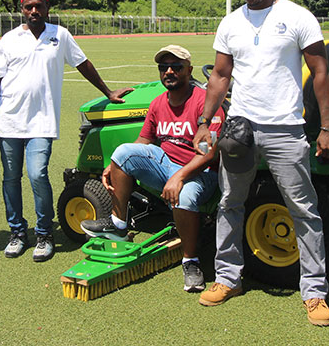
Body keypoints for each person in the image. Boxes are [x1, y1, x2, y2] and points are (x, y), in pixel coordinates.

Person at [192, 0, 329, 326]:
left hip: (286, 129)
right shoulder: (230, 23)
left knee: (304, 211)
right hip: (240, 129)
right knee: (230, 203)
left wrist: (327, 126)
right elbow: (220, 77)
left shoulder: (297, 17)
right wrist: (206, 122)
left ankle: (314, 292)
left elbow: (320, 71)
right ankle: (228, 278)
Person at [0, 0, 132, 262]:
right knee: (10, 178)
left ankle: (43, 233)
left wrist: (108, 92)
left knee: (38, 174)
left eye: (39, 6)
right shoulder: (9, 39)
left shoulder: (59, 36)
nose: (34, 11)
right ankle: (17, 232)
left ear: (47, 8)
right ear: (22, 9)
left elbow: (82, 64)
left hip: (41, 122)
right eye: (29, 6)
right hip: (9, 121)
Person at [81, 45, 225, 292]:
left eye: (176, 67)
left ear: (189, 70)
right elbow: (143, 141)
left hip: (201, 171)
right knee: (124, 152)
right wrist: (114, 163)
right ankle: (118, 224)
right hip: (167, 165)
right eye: (164, 68)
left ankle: (190, 261)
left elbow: (209, 152)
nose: (169, 71)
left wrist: (179, 177)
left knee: (185, 194)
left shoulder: (204, 102)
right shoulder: (158, 103)